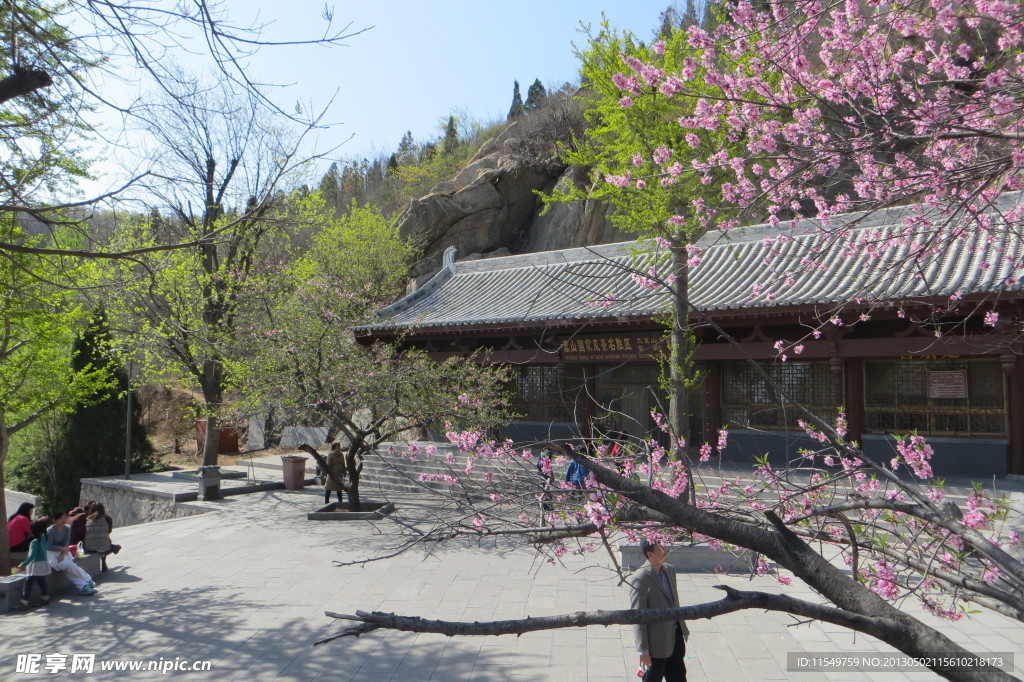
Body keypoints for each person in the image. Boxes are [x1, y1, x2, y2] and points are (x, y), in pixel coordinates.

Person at [630, 540, 689, 682]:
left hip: (675, 637)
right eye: (661, 548)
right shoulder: (640, 578)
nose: (666, 549)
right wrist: (643, 650)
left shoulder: (670, 570)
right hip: (655, 645)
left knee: (678, 677)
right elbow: (638, 617)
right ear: (650, 554)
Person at [46, 511, 96, 596]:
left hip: (64, 552)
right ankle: (87, 579)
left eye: (64, 518)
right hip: (51, 554)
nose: (63, 521)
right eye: (60, 519)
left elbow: (66, 542)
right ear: (54, 520)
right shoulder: (50, 530)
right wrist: (60, 549)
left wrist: (62, 554)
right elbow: (48, 546)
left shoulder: (67, 528)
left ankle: (83, 586)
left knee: (68, 566)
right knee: (69, 565)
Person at [18, 520, 51, 607]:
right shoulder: (44, 538)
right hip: (43, 564)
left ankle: (24, 601)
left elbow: (32, 556)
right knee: (41, 581)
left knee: (28, 583)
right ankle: (45, 598)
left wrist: (23, 564)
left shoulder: (34, 542)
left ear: (33, 531)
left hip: (36, 566)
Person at [84, 503, 120, 572]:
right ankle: (104, 560)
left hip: (89, 548)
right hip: (104, 548)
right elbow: (109, 531)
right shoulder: (107, 519)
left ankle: (112, 548)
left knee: (100, 541)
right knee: (105, 540)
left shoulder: (87, 519)